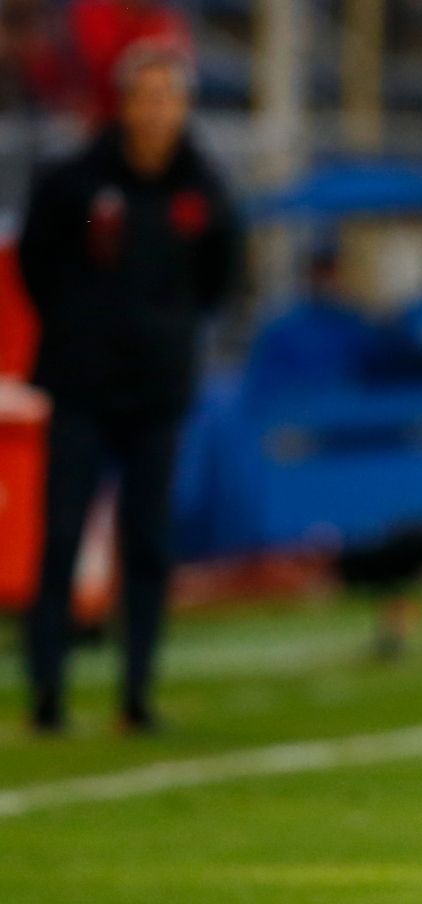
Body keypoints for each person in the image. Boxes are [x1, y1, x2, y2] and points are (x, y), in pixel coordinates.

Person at [16, 41, 239, 734]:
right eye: (144, 96)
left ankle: (136, 695)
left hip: (157, 391)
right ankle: (46, 696)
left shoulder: (203, 189)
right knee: (60, 537)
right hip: (82, 387)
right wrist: (85, 332)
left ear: (184, 105)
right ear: (124, 102)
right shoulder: (77, 181)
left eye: (167, 97)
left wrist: (161, 336)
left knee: (147, 544)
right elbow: (36, 264)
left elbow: (218, 279)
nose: (155, 111)